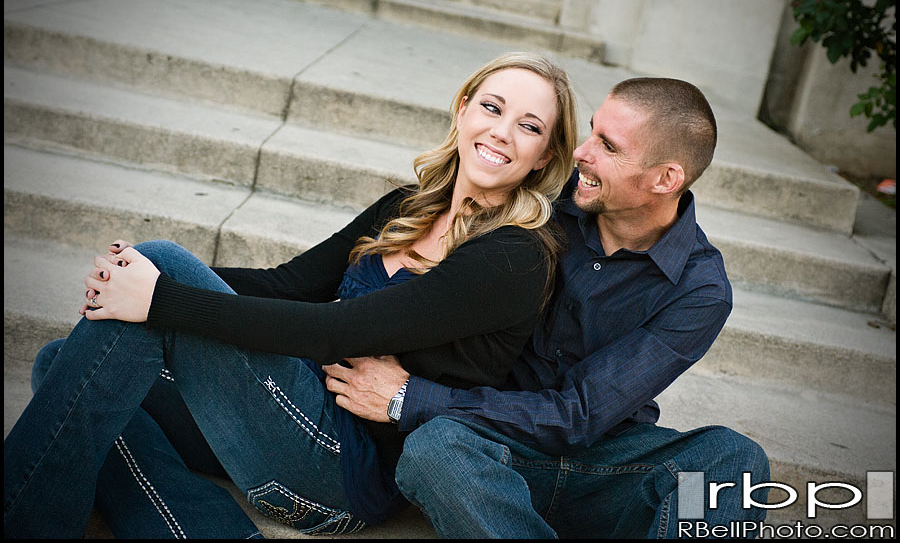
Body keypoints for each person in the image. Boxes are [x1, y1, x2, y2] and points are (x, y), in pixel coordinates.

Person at [3, 52, 579, 538]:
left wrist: (162, 295)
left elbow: (337, 330)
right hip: (286, 414)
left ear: (547, 156)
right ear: (463, 109)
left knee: (158, 278)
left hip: (342, 469)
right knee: (63, 362)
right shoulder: (411, 205)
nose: (502, 132)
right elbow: (289, 285)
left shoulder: (515, 255)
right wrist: (141, 277)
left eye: (529, 127)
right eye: (492, 107)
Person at [322, 78, 772, 538]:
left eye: (608, 146)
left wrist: (408, 397)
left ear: (666, 179)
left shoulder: (700, 289)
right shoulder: (548, 199)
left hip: (605, 465)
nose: (581, 152)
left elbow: (581, 415)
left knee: (733, 462)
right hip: (489, 443)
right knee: (435, 447)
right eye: (593, 130)